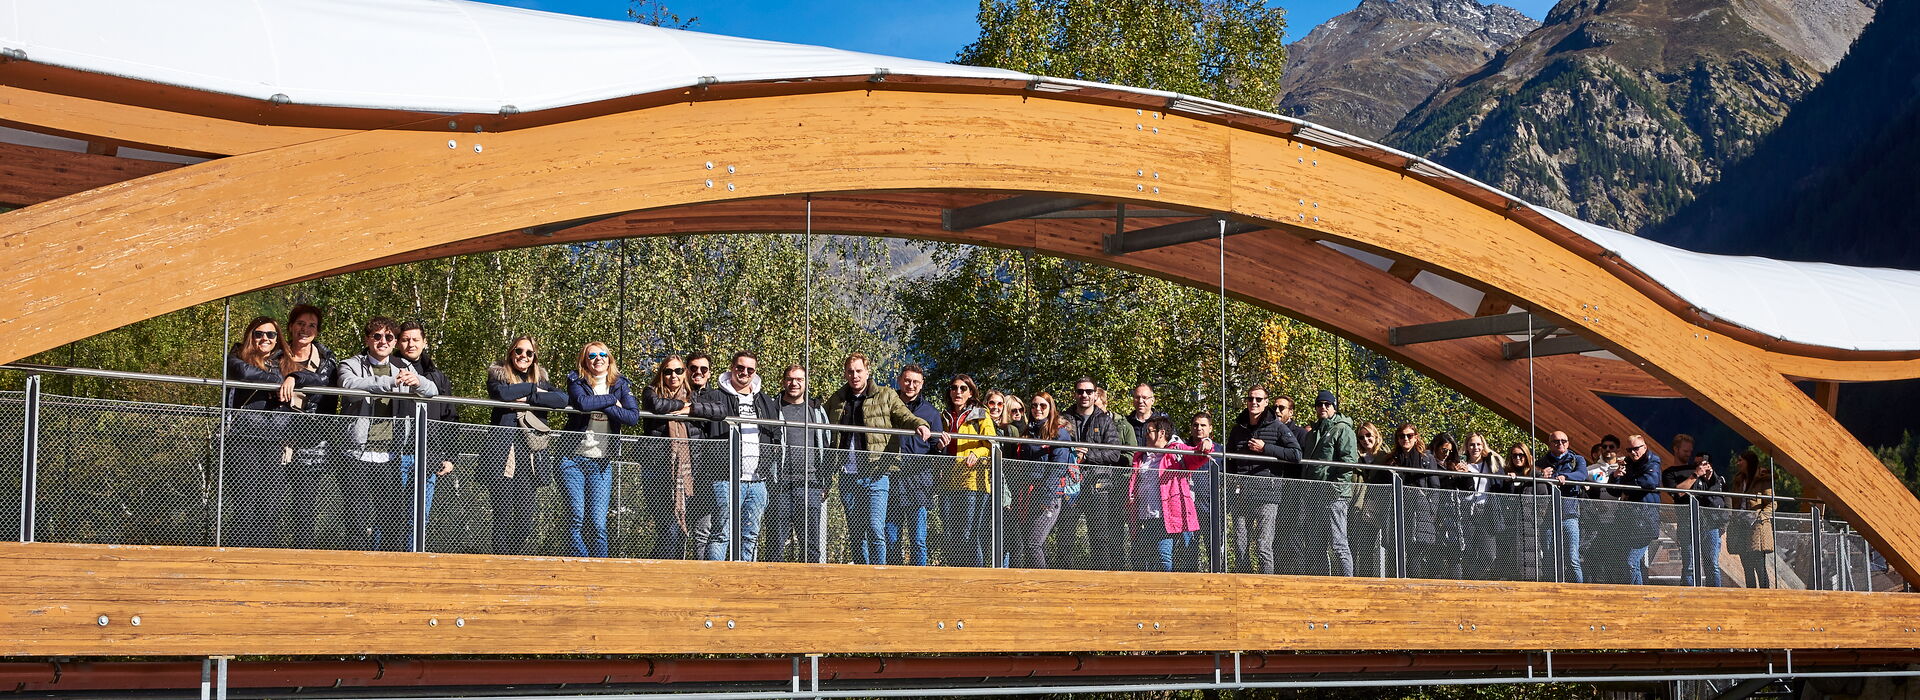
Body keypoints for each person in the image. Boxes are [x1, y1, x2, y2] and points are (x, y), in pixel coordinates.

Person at [337, 316, 439, 552]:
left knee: (392, 519)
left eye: (389, 337)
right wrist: (389, 382)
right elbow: (348, 386)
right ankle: (356, 566)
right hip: (356, 455)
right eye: (377, 336)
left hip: (389, 456)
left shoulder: (404, 368)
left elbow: (432, 390)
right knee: (357, 518)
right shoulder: (351, 364)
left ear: (394, 342)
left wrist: (417, 383)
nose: (383, 341)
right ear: (367, 339)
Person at [823, 352, 932, 565]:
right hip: (848, 475)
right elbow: (820, 423)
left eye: (859, 371)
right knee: (855, 532)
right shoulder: (837, 399)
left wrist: (920, 424)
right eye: (850, 371)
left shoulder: (886, 395)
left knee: (875, 528)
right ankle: (862, 574)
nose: (855, 375)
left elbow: (904, 415)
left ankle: (878, 573)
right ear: (845, 374)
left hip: (877, 473)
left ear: (867, 371)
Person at [690, 351, 784, 561]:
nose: (744, 373)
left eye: (750, 369)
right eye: (740, 368)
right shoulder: (715, 397)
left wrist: (769, 463)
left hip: (758, 480)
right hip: (725, 477)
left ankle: (744, 583)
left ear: (755, 372)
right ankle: (716, 581)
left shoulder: (765, 401)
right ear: (732, 368)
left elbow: (775, 435)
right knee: (722, 532)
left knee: (750, 534)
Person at [483, 336, 566, 556]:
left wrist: (528, 395)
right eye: (519, 351)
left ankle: (513, 558)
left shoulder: (543, 380)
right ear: (511, 353)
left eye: (529, 353)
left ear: (534, 357)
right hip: (502, 455)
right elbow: (502, 393)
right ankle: (501, 561)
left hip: (530, 457)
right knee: (503, 513)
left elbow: (561, 399)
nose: (523, 356)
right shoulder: (498, 374)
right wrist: (534, 391)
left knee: (525, 518)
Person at [559, 341, 638, 558]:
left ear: (609, 358)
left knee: (598, 524)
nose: (598, 359)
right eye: (592, 356)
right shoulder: (576, 379)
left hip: (602, 462)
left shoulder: (620, 383)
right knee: (576, 517)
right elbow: (583, 403)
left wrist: (601, 402)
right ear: (585, 361)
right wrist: (613, 400)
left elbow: (632, 417)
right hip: (572, 459)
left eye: (603, 354)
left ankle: (600, 569)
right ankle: (583, 564)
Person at [276, 304, 338, 550]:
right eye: (301, 323)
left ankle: (303, 555)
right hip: (276, 436)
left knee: (306, 505)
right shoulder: (275, 354)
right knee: (269, 502)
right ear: (291, 326)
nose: (305, 329)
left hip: (311, 442)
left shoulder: (327, 361)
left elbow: (330, 403)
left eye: (311, 325)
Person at [223, 316, 289, 549]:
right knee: (246, 501)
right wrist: (278, 381)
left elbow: (309, 378)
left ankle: (264, 554)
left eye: (271, 335)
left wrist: (293, 377)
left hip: (274, 439)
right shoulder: (236, 357)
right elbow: (246, 374)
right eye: (259, 334)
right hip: (245, 437)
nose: (265, 339)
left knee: (271, 502)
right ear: (251, 336)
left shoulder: (283, 362)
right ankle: (237, 554)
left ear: (277, 339)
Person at [1054, 376, 1130, 570]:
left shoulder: (1105, 421)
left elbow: (1114, 454)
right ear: (1075, 394)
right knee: (1065, 537)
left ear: (1096, 394)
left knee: (1099, 537)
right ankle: (1065, 580)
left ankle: (1101, 581)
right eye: (1080, 391)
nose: (1084, 395)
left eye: (1089, 391)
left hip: (1099, 485)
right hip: (1069, 485)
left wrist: (1088, 455)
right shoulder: (1063, 418)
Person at [1224, 386, 1300, 574]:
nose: (1254, 403)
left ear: (1266, 402)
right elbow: (1229, 459)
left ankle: (1268, 587)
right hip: (1242, 494)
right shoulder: (1238, 428)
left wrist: (1266, 448)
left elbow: (1296, 454)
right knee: (1240, 545)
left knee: (1263, 546)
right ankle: (1240, 585)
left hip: (1268, 494)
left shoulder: (1278, 427)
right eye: (1250, 399)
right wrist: (1234, 481)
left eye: (1259, 399)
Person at [763, 365, 831, 563]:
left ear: (806, 382)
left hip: (810, 485)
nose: (794, 383)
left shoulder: (816, 411)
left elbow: (826, 445)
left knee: (811, 547)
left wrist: (826, 481)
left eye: (799, 379)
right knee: (775, 546)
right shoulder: (773, 409)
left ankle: (810, 591)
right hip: (780, 486)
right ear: (783, 381)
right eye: (790, 379)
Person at [1127, 416, 1213, 572]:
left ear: (1161, 433)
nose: (1146, 434)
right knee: (1145, 557)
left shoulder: (1175, 452)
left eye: (1149, 431)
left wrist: (1207, 444)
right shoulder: (1141, 456)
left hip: (1164, 517)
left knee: (1163, 556)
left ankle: (1165, 591)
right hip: (1143, 517)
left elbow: (1197, 454)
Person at [396, 321, 457, 523]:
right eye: (405, 340)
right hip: (395, 456)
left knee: (419, 519)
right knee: (389, 518)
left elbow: (450, 417)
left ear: (424, 342)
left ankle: (414, 556)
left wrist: (450, 457)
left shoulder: (438, 377)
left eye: (415, 339)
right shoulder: (389, 369)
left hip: (428, 457)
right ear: (397, 343)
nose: (410, 344)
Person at [885, 364, 945, 566]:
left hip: (918, 485)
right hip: (891, 480)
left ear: (921, 384)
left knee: (918, 540)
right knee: (891, 538)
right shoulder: (888, 405)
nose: (910, 385)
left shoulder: (931, 413)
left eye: (915, 382)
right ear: (900, 380)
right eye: (907, 380)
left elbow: (937, 450)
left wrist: (941, 447)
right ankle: (893, 577)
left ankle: (920, 579)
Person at [640, 354, 698, 559]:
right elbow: (656, 405)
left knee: (679, 531)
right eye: (668, 371)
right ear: (661, 374)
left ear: (685, 374)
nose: (673, 375)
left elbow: (718, 410)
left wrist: (693, 408)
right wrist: (682, 408)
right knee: (669, 527)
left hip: (684, 474)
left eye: (678, 371)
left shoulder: (694, 397)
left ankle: (662, 570)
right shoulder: (651, 391)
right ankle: (660, 574)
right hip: (656, 471)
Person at [1011, 392, 1076, 569]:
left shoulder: (1059, 433)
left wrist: (1046, 498)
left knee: (1034, 543)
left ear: (1050, 408)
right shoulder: (1028, 431)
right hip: (1028, 492)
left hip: (1049, 496)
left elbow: (1058, 467)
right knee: (1032, 543)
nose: (1037, 409)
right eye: (1034, 406)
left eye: (1042, 406)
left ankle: (1042, 584)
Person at [939, 374, 995, 567]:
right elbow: (940, 447)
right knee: (949, 534)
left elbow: (992, 444)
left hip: (973, 482)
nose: (958, 392)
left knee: (969, 534)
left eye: (963, 388)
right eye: (954, 388)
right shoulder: (945, 416)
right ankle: (955, 575)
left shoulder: (981, 414)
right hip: (948, 482)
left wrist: (977, 452)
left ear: (970, 392)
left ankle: (976, 577)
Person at [1301, 390, 1358, 576]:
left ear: (1334, 406)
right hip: (1314, 494)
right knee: (1316, 544)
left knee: (1338, 543)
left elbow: (1349, 462)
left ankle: (1349, 584)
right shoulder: (1313, 432)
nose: (1323, 407)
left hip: (1335, 496)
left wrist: (1335, 488)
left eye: (1327, 404)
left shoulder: (1343, 429)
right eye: (1319, 404)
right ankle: (1322, 583)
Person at [1391, 423, 1459, 579]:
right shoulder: (1392, 459)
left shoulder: (1426, 459)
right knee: (1398, 551)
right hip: (1399, 509)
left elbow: (1434, 486)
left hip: (1422, 511)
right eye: (1402, 436)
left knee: (1418, 551)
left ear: (1416, 437)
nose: (1405, 439)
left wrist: (1432, 510)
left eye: (1409, 435)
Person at [1665, 450, 1728, 586]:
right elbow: (1678, 493)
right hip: (1688, 525)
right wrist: (1696, 474)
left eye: (1702, 463)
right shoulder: (1685, 474)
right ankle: (1689, 596)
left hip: (1710, 525)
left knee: (1712, 565)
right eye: (1696, 463)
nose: (1699, 466)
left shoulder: (1712, 478)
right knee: (1689, 566)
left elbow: (1718, 497)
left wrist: (1710, 475)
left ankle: (1715, 598)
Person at [1539, 430, 1593, 583]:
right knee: (1549, 557)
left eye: (1563, 441)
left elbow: (1582, 475)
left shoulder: (1577, 460)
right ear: (1550, 444)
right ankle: (1550, 590)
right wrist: (1541, 474)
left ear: (1568, 443)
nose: (1560, 444)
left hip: (1569, 515)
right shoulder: (1542, 463)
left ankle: (1579, 591)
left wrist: (1565, 477)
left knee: (1573, 557)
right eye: (1556, 441)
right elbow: (1530, 474)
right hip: (1547, 516)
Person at [1270, 395, 1315, 574]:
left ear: (1291, 412)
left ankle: (1298, 578)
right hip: (1273, 491)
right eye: (1275, 408)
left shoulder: (1300, 434)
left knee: (1294, 537)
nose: (1277, 411)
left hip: (1294, 493)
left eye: (1282, 408)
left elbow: (1301, 460)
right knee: (1276, 538)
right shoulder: (1269, 431)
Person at [1613, 434, 1665, 585]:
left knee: (1631, 561)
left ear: (1645, 447)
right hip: (1628, 522)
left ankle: (1637, 594)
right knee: (1630, 563)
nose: (1633, 453)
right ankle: (1638, 592)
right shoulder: (1627, 464)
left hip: (1645, 522)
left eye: (1636, 449)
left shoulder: (1653, 461)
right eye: (1629, 450)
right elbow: (1615, 490)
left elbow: (1650, 482)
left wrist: (1627, 487)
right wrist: (1616, 476)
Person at [1503, 442, 1555, 581]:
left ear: (1527, 457)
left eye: (1521, 455)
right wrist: (1509, 482)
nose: (1518, 458)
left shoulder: (1536, 477)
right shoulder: (1507, 474)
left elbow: (1543, 502)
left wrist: (1534, 520)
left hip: (1531, 527)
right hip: (1512, 526)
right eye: (1514, 455)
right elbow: (1505, 500)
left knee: (1531, 562)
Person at [1348, 422, 1394, 577]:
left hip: (1381, 505)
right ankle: (1359, 578)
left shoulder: (1386, 456)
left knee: (1381, 545)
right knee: (1359, 545)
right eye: (1361, 437)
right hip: (1359, 505)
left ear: (1376, 435)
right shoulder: (1354, 456)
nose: (1365, 440)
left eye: (1368, 435)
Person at [1457, 432, 1505, 579]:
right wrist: (1462, 474)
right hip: (1467, 510)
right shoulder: (1462, 464)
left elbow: (1500, 483)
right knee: (1469, 550)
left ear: (1483, 446)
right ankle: (1470, 580)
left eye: (1478, 444)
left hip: (1486, 510)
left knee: (1489, 554)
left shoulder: (1491, 462)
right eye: (1472, 445)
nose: (1475, 448)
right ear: (1466, 447)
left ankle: (1477, 578)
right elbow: (1459, 487)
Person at [1726, 451, 1776, 588]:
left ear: (1748, 462)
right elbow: (1734, 500)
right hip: (1741, 525)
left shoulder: (1762, 479)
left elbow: (1772, 503)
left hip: (1756, 527)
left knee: (1759, 566)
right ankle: (1751, 596)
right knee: (1747, 567)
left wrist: (1760, 517)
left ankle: (1765, 596)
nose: (1738, 463)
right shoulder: (1739, 480)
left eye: (1740, 460)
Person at [1187, 411, 1220, 571]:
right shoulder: (1184, 448)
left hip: (1210, 507)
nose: (1199, 428)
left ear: (1210, 428)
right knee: (1188, 550)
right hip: (1188, 507)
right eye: (1195, 425)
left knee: (1213, 548)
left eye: (1203, 425)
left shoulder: (1219, 450)